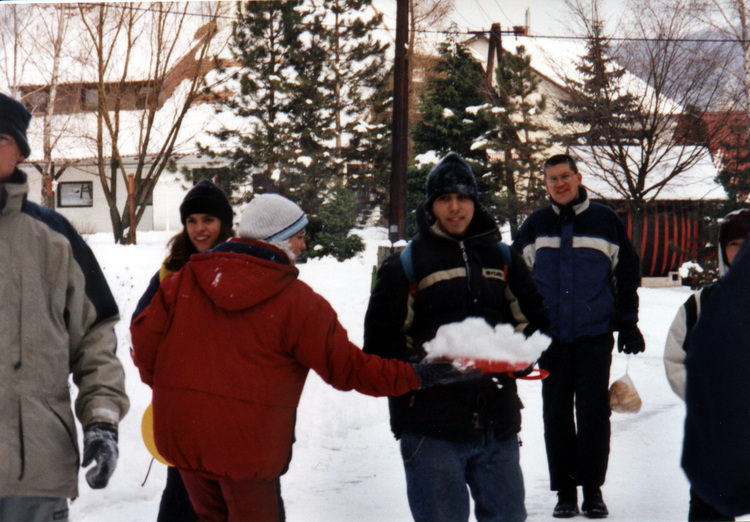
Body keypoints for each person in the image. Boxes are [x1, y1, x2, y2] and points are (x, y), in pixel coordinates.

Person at [130, 192, 472, 522]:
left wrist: (171, 391)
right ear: (277, 240)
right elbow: (349, 369)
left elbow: (144, 340)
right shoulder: (297, 303)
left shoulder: (183, 281)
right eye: (298, 237)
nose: (303, 246)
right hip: (246, 448)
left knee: (209, 516)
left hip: (184, 434)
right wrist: (417, 375)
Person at [364, 152, 550, 522]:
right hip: (431, 428)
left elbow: (534, 320)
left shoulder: (502, 258)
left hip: (496, 424)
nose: (454, 207)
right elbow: (380, 344)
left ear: (474, 202)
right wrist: (424, 370)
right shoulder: (406, 264)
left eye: (463, 197)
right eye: (444, 198)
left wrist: (519, 354)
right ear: (430, 205)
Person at [0, 93, 129, 521]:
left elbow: (95, 337)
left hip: (35, 472)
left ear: (20, 152)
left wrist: (102, 421)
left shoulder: (55, 238)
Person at [512, 153, 643, 519]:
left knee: (593, 413)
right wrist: (523, 332)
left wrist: (628, 322)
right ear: (545, 185)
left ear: (578, 177)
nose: (559, 184)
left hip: (594, 335)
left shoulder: (605, 220)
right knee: (556, 414)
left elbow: (626, 273)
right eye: (552, 179)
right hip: (551, 337)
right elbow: (517, 282)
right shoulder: (535, 225)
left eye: (565, 176)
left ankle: (592, 490)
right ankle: (566, 492)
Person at [132, 178, 234, 522]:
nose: (199, 229)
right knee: (181, 491)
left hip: (232, 401)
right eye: (192, 221)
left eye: (208, 220)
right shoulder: (171, 270)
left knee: (231, 495)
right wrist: (162, 377)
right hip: (185, 402)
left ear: (224, 223)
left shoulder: (242, 265)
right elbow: (141, 327)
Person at [666, 208, 750, 521]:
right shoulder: (701, 303)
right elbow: (676, 357)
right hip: (719, 428)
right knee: (710, 504)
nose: (741, 251)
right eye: (734, 243)